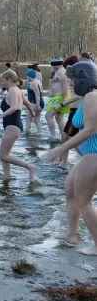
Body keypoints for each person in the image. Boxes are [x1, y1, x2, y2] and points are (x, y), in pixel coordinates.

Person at [42, 62, 97, 255]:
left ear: (84, 79)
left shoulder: (92, 97)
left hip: (95, 155)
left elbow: (90, 130)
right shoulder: (87, 96)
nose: (71, 83)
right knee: (69, 189)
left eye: (73, 80)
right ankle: (72, 234)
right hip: (90, 155)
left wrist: (59, 150)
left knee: (84, 200)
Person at [0, 71, 37, 181]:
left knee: (3, 155)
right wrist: (33, 114)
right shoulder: (18, 91)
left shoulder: (12, 90)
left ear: (10, 80)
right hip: (14, 125)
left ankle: (30, 167)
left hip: (12, 125)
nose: (2, 83)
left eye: (3, 80)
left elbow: (15, 107)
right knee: (5, 155)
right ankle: (7, 177)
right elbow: (28, 104)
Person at [55, 56, 81, 168]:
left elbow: (77, 96)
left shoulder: (80, 80)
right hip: (74, 110)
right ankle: (63, 163)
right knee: (65, 136)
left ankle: (88, 158)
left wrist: (61, 104)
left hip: (77, 111)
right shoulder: (77, 79)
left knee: (70, 137)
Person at [46, 56, 70, 140]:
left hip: (60, 97)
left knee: (48, 116)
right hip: (59, 96)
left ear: (54, 64)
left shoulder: (61, 72)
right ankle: (63, 136)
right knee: (59, 117)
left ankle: (53, 136)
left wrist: (63, 99)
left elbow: (65, 84)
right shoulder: (61, 71)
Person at [25, 69, 44, 136]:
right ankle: (40, 133)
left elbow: (37, 94)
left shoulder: (34, 83)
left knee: (28, 118)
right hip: (40, 102)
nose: (26, 77)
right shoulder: (38, 81)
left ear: (30, 76)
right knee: (36, 119)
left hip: (35, 102)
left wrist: (37, 105)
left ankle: (28, 134)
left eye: (27, 76)